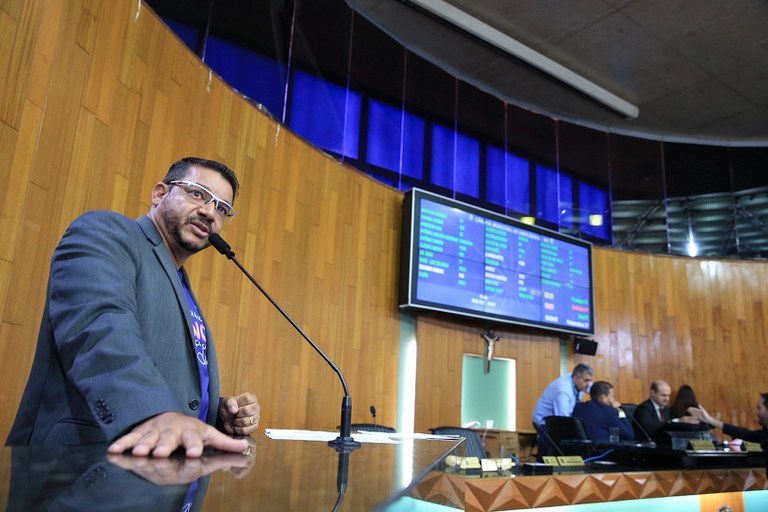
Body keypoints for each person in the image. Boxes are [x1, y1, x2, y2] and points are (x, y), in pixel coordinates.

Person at [7, 157, 260, 458]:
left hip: (163, 469)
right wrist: (153, 412)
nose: (209, 212)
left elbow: (167, 374)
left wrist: (215, 412)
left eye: (221, 208)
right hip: (80, 466)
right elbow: (101, 333)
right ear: (159, 193)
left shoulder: (181, 284)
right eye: (197, 193)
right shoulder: (106, 233)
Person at [532, 363, 594, 458]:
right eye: (586, 381)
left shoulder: (578, 382)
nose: (589, 384)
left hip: (557, 418)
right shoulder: (563, 391)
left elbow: (593, 391)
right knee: (551, 448)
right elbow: (563, 419)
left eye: (590, 380)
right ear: (576, 378)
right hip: (543, 421)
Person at [688, 392, 768, 448]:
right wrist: (710, 420)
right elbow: (744, 433)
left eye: (759, 408)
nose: (757, 413)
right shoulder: (764, 433)